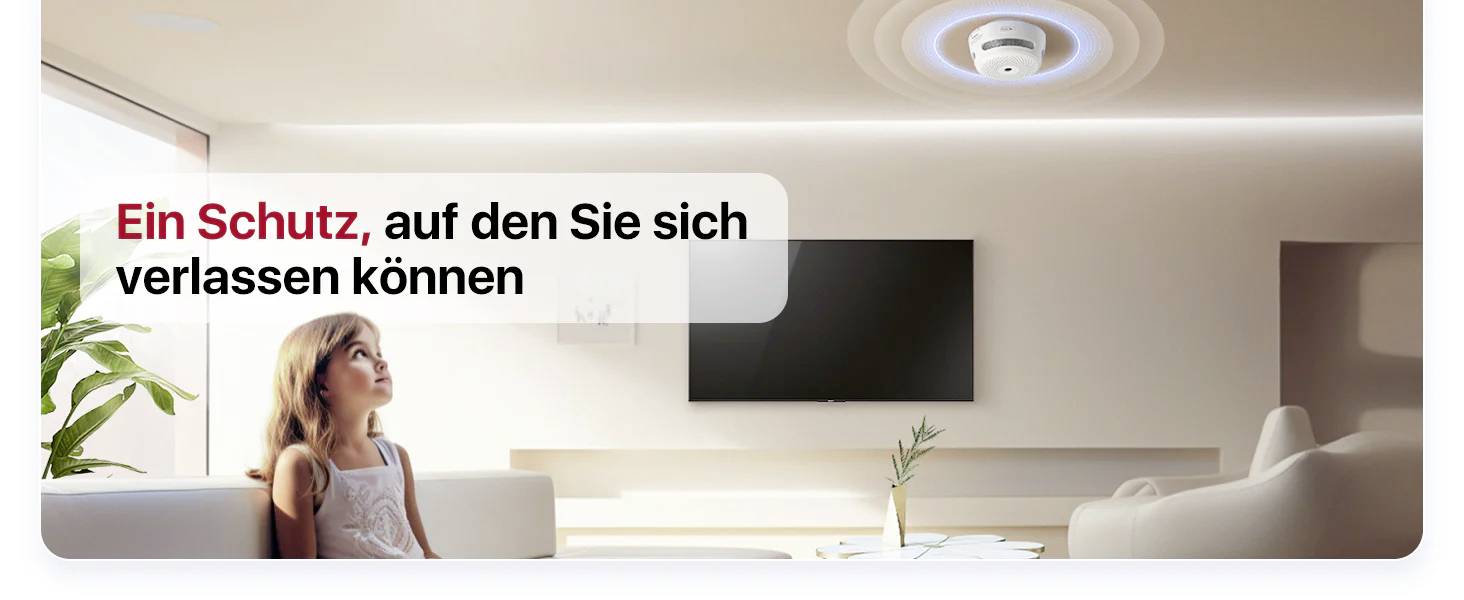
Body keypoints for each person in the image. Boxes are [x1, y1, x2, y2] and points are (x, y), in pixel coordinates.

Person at [247, 313, 438, 558]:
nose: (382, 363)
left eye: (378, 352)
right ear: (321, 381)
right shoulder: (302, 464)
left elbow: (425, 554)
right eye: (360, 353)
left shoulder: (396, 456)